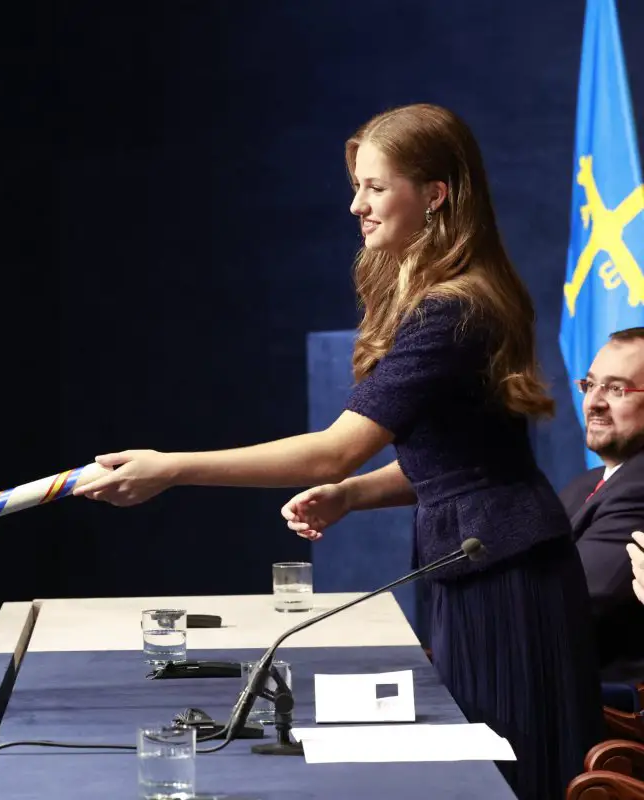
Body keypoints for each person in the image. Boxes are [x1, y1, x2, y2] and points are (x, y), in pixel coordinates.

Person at [74, 103, 603, 798]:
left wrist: (172, 469)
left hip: (504, 578)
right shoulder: (462, 294)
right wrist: (356, 496)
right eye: (357, 186)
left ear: (436, 193)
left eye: (375, 187)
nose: (356, 204)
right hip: (490, 562)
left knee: (508, 778)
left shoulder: (452, 309)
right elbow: (462, 463)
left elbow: (332, 453)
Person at [556, 327, 643, 682]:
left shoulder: (638, 488)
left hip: (604, 712)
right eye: (590, 385)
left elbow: (564, 603)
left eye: (617, 389)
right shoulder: (587, 484)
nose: (593, 402)